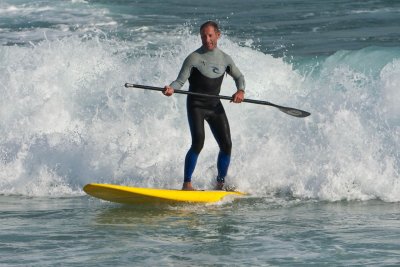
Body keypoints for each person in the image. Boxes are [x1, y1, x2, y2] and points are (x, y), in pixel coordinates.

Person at [164, 21, 245, 190]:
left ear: (218, 35)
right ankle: (187, 184)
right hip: (196, 105)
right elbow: (179, 81)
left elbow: (239, 77)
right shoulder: (194, 58)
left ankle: (220, 183)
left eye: (210, 35)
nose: (207, 39)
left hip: (214, 105)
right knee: (198, 142)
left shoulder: (225, 59)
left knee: (226, 145)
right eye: (203, 36)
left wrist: (240, 91)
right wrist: (171, 88)